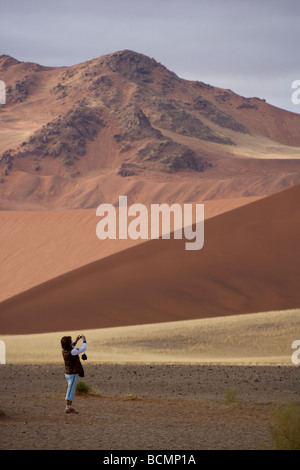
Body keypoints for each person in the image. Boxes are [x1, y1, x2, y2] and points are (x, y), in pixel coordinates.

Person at [61, 334, 87, 414]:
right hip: (73, 374)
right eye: (71, 342)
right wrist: (84, 340)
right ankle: (68, 407)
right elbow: (83, 348)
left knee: (70, 389)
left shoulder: (64, 351)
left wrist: (76, 340)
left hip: (68, 373)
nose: (72, 343)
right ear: (68, 343)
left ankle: (69, 407)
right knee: (71, 390)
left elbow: (72, 348)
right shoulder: (72, 352)